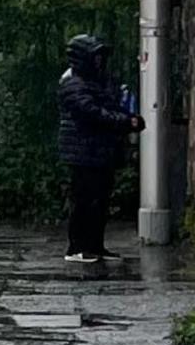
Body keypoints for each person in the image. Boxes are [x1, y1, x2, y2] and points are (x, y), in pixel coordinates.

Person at [56, 33, 141, 264]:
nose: (99, 62)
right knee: (84, 200)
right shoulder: (73, 84)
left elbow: (111, 104)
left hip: (99, 150)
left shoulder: (98, 81)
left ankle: (95, 245)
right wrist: (124, 121)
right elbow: (92, 112)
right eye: (95, 57)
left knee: (100, 201)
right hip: (83, 152)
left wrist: (125, 117)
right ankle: (77, 247)